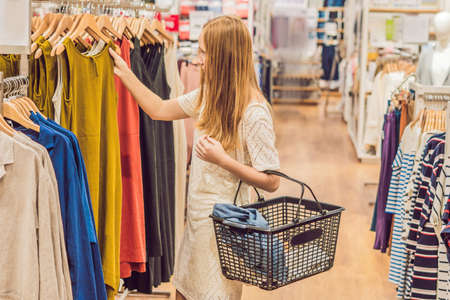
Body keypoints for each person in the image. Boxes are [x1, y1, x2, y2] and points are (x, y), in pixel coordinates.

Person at [110, 15, 281, 300]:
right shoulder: (208, 96)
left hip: (227, 229)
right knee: (186, 291)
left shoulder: (254, 112)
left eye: (204, 52)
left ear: (223, 57)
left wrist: (223, 160)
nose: (198, 60)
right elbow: (159, 109)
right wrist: (126, 73)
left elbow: (272, 180)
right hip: (199, 224)